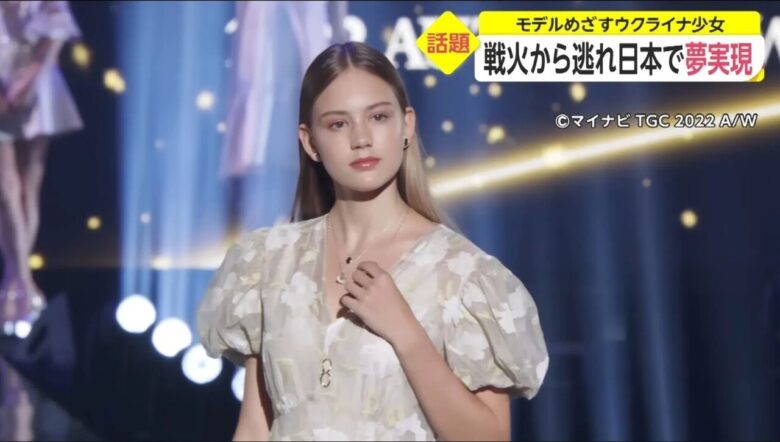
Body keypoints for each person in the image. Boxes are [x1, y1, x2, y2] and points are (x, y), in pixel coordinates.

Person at [197, 42, 549, 441]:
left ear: (407, 125)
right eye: (338, 124)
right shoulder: (268, 261)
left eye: (378, 117)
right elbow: (254, 428)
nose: (361, 138)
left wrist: (406, 332)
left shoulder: (463, 275)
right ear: (310, 142)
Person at [0, 1, 83, 324]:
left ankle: (15, 282)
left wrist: (28, 81)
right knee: (6, 190)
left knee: (27, 189)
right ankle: (22, 281)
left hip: (36, 79)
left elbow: (57, 27)